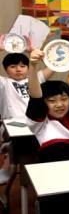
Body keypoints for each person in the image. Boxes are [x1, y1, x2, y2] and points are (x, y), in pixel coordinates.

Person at [26, 49, 69, 163]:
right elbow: (35, 97)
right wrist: (32, 66)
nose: (59, 105)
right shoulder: (40, 123)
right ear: (43, 103)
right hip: (55, 169)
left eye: (64, 99)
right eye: (52, 101)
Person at [0, 48, 54, 182]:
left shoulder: (35, 79)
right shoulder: (3, 83)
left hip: (35, 124)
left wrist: (37, 54)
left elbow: (53, 65)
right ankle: (12, 163)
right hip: (11, 127)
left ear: (28, 68)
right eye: (13, 66)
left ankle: (14, 158)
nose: (18, 69)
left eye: (23, 66)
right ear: (6, 69)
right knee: (25, 147)